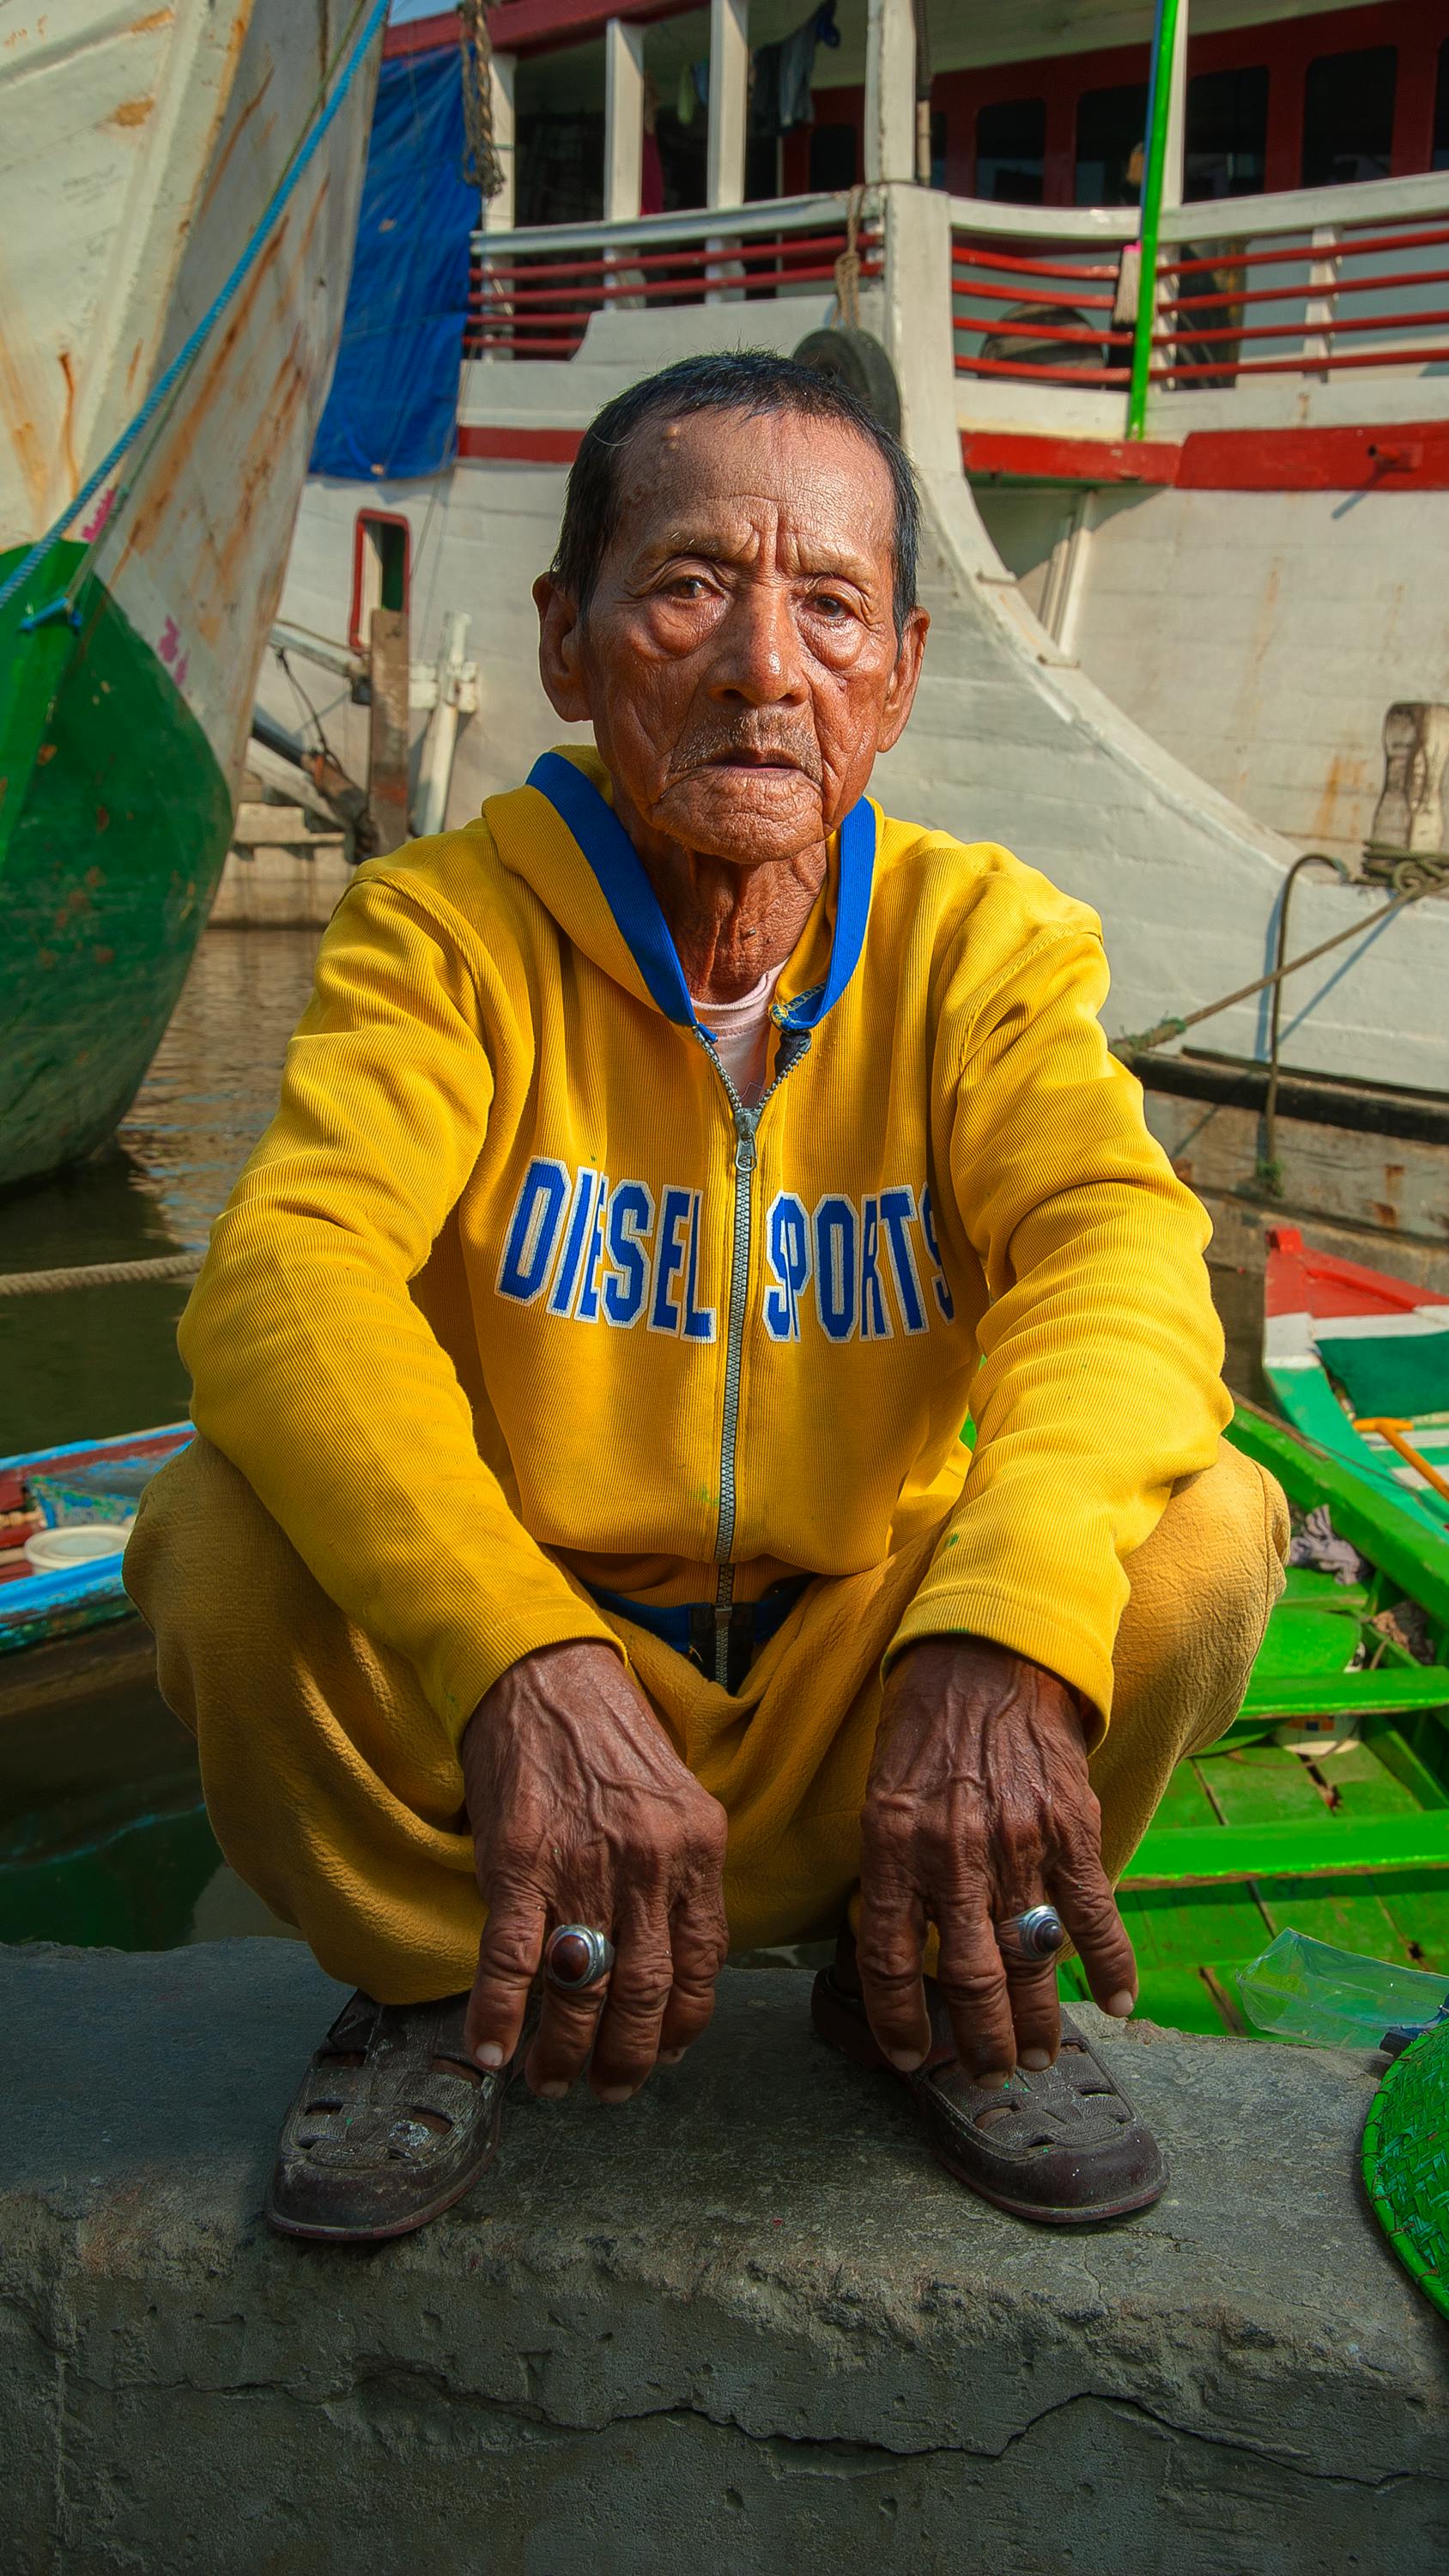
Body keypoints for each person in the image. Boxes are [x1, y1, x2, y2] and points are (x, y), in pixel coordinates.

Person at [125, 351, 1286, 2243]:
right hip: (515, 1718)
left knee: (1210, 1528)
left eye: (830, 606)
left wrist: (1002, 1620)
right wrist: (517, 1650)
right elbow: (289, 1277)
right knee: (217, 1536)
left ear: (897, 675)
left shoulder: (983, 948)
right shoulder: (444, 932)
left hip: (865, 1691)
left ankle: (931, 1978)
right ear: (567, 644)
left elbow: (1119, 1259)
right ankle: (436, 1978)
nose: (766, 668)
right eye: (688, 587)